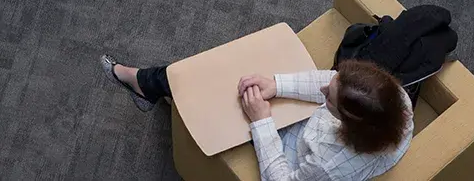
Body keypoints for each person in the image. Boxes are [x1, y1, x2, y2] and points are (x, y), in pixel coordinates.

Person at [101, 54, 414, 181]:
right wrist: (277, 84)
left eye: (328, 98)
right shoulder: (396, 100)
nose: (322, 88)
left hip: (288, 149)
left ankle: (146, 84)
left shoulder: (327, 165)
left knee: (213, 89)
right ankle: (151, 85)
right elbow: (331, 79)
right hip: (308, 127)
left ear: (346, 120)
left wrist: (261, 121)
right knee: (223, 77)